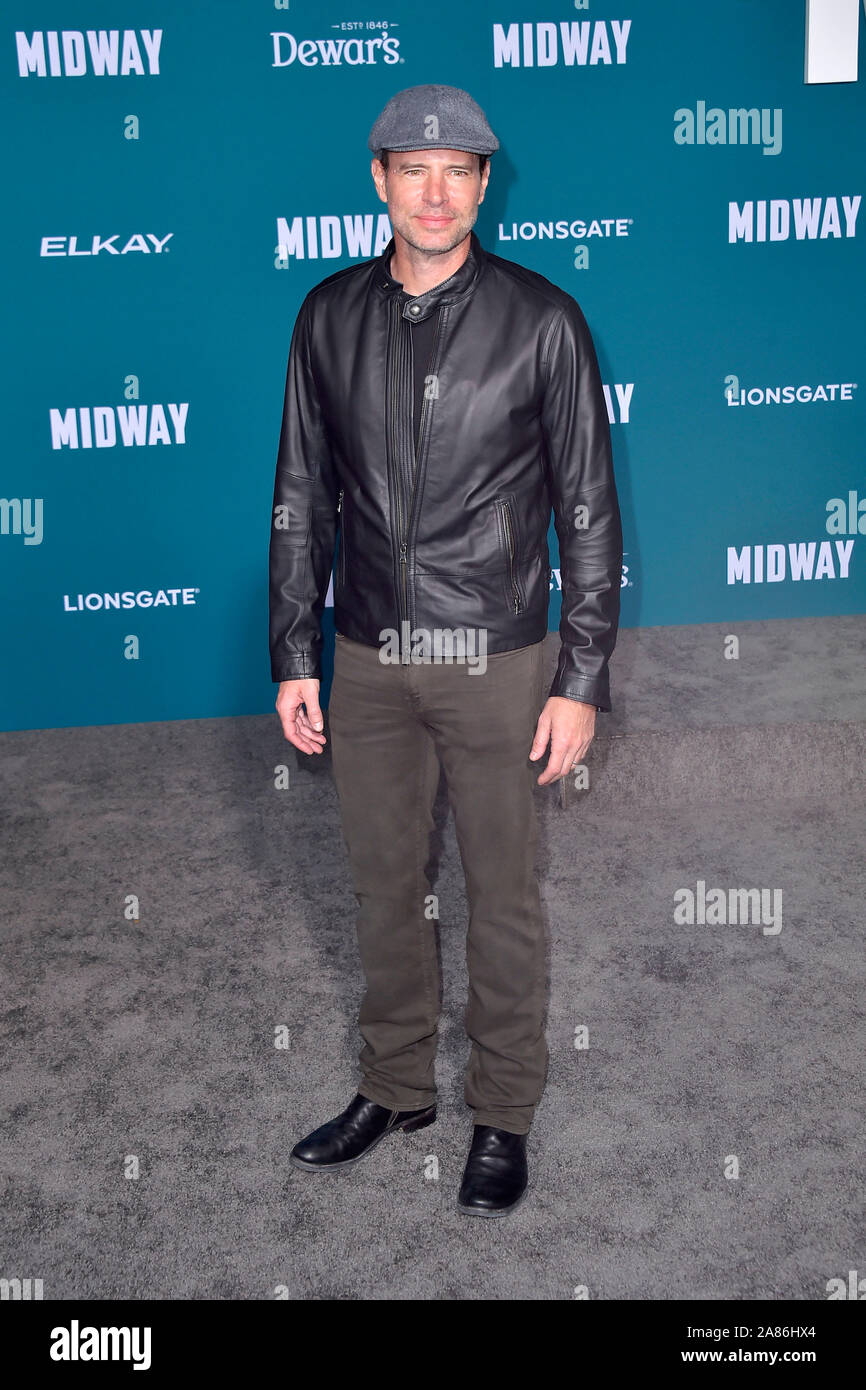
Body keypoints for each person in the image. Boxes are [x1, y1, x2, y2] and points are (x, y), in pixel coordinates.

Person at [269, 84, 623, 1216]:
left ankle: (504, 1109)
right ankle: (395, 1083)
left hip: (498, 655)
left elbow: (589, 512)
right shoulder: (324, 315)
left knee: (500, 892)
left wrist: (578, 680)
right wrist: (293, 649)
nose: (434, 190)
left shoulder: (542, 320)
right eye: (411, 169)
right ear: (377, 179)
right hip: (367, 652)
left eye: (457, 169)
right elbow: (297, 495)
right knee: (382, 885)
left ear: (483, 184)